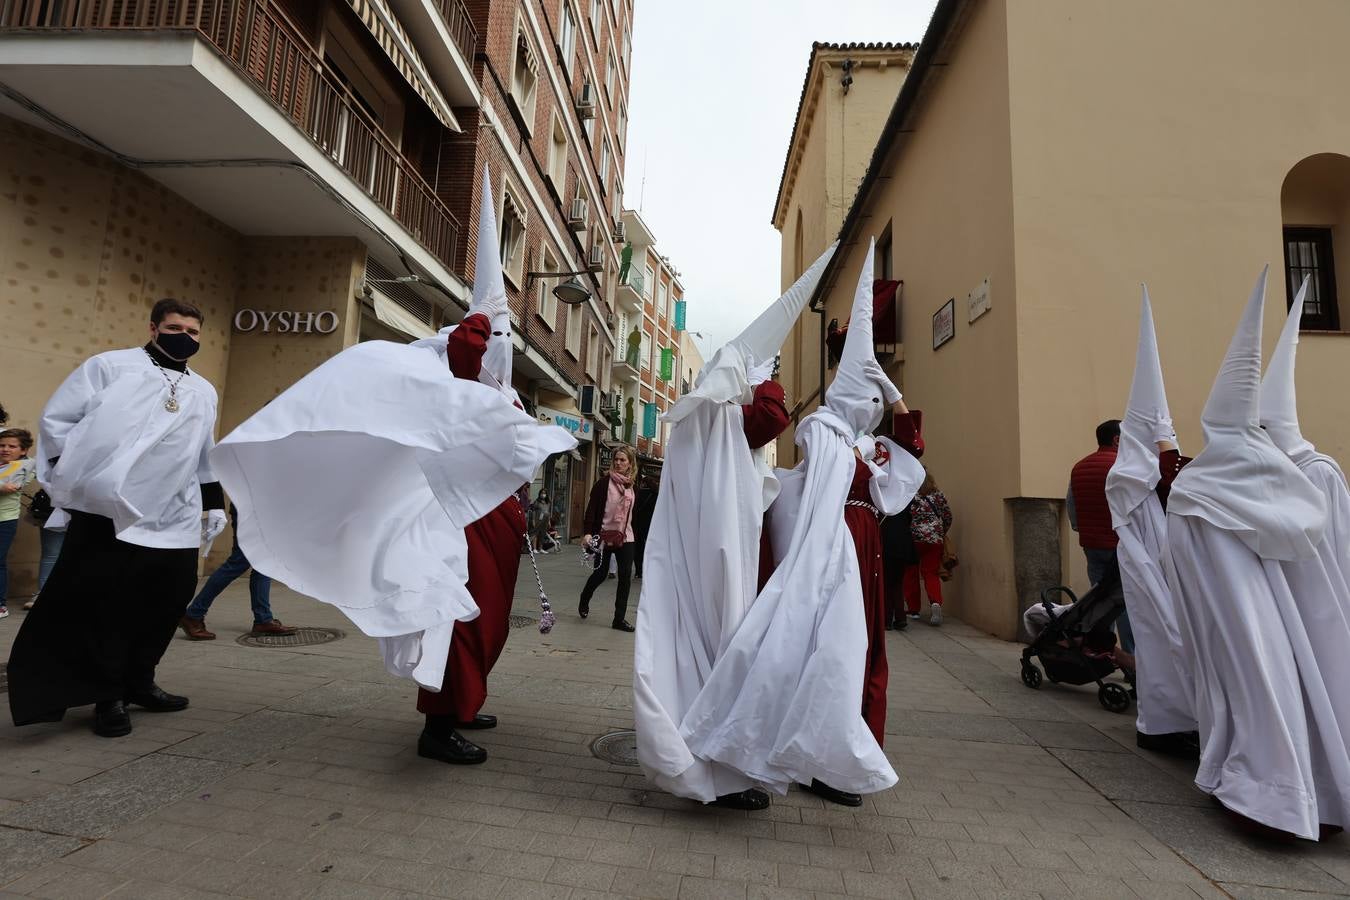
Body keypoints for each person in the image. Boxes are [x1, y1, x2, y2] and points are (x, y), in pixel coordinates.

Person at [212, 168, 575, 766]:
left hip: (501, 527)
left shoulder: (503, 396)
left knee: (487, 625)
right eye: (496, 340)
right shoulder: (451, 384)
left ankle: (465, 700)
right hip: (461, 529)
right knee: (458, 621)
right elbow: (450, 408)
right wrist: (471, 348)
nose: (504, 350)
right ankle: (438, 727)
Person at [680, 238, 924, 808]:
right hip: (835, 552)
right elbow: (814, 493)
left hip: (866, 552)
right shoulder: (825, 435)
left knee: (865, 655)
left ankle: (849, 753)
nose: (875, 403)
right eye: (869, 391)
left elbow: (904, 473)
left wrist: (901, 401)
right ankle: (822, 757)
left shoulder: (863, 442)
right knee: (834, 652)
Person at [634, 242, 836, 811]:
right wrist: (762, 380)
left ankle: (726, 766)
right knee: (726, 653)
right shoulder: (720, 410)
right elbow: (770, 417)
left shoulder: (715, 415)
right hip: (717, 560)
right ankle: (719, 773)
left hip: (722, 553)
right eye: (761, 366)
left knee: (726, 655)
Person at [7, 298, 227, 738]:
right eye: (174, 326)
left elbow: (204, 453)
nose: (184, 336)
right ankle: (108, 695)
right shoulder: (110, 367)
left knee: (165, 603)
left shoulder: (204, 390)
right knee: (110, 605)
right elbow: (58, 424)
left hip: (174, 516)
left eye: (193, 331)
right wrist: (79, 482)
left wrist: (212, 503)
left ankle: (139, 681)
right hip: (111, 510)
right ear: (153, 327)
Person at [1165, 267, 1331, 840]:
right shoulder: (1283, 481)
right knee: (1283, 692)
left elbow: (1182, 555)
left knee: (1250, 698)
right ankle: (1297, 797)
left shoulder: (1201, 482)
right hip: (1275, 616)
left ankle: (1271, 798)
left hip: (1230, 617)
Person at [1256, 279, 1350, 835]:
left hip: (1324, 600)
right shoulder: (1271, 473)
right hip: (1290, 602)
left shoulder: (1318, 471)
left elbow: (1331, 544)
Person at [1104, 287, 1199, 760]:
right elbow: (1162, 481)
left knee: (1172, 639)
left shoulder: (1149, 469)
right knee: (1160, 639)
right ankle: (1161, 722)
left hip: (1166, 564)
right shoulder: (1126, 472)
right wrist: (1165, 447)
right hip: (1146, 565)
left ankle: (1176, 719)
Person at [178, 503, 297, 640]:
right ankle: (193, 615)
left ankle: (263, 619)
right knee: (239, 562)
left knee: (263, 563)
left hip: (259, 507)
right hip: (251, 506)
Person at [1069, 418, 1132, 653]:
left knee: (1098, 599)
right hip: (1120, 545)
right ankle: (1128, 654)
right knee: (1124, 602)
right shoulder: (1123, 467)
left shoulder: (1080, 466)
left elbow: (1071, 503)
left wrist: (1081, 528)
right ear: (1117, 439)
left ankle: (1098, 646)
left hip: (1092, 544)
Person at [579, 446, 639, 631]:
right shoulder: (603, 483)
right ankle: (584, 599)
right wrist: (588, 533)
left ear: (630, 464)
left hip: (625, 537)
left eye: (623, 460)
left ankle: (618, 619)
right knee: (600, 574)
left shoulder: (631, 486)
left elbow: (633, 515)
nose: (619, 463)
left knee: (625, 576)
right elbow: (592, 510)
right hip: (604, 536)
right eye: (616, 460)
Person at [905, 469, 952, 626]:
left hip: (913, 538)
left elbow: (904, 516)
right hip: (934, 539)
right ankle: (935, 603)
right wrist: (940, 531)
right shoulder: (938, 495)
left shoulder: (910, 494)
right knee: (931, 573)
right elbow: (947, 516)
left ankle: (913, 610)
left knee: (911, 572)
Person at [0, 428, 37, 619]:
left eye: (11, 446)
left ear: (23, 450)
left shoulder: (22, 466)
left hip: (4, 520)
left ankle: (0, 605)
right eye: (2, 445)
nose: (5, 449)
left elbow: (10, 485)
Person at [631, 474, 658, 579]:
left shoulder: (637, 493)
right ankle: (651, 570)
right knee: (652, 548)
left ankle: (639, 571)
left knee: (638, 549)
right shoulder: (656, 495)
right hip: (652, 526)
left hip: (638, 525)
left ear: (643, 483)